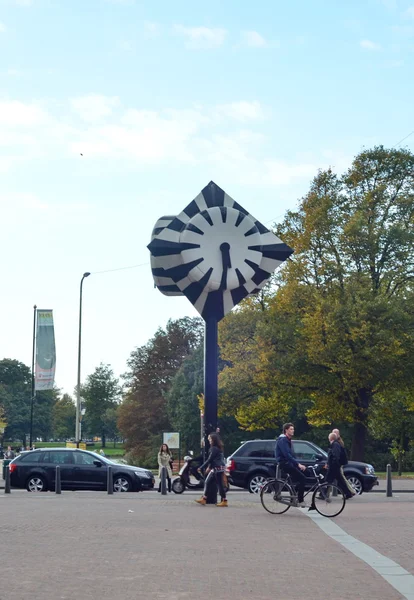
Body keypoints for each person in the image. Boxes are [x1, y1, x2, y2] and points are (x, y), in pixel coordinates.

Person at [275, 423, 307, 507]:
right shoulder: (283, 440)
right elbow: (287, 455)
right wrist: (298, 464)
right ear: (286, 430)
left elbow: (291, 455)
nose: (293, 431)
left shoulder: (288, 440)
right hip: (284, 463)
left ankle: (293, 496)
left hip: (288, 463)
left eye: (293, 429)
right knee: (302, 478)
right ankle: (300, 500)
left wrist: (298, 464)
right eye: (291, 429)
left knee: (304, 474)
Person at [195, 433, 228, 507]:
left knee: (219, 485)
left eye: (210, 439)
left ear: (213, 439)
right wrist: (209, 467)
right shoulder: (218, 448)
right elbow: (213, 459)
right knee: (207, 482)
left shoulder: (213, 448)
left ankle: (224, 500)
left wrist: (201, 467)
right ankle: (204, 498)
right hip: (217, 468)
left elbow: (210, 459)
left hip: (217, 469)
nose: (209, 440)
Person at [326, 433, 355, 499]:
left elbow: (335, 455)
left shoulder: (335, 445)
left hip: (334, 467)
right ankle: (348, 493)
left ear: (331, 438)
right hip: (335, 466)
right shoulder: (335, 444)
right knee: (337, 480)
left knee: (329, 480)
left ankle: (324, 494)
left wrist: (332, 464)